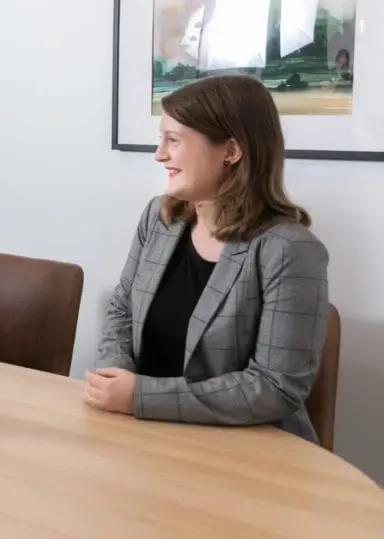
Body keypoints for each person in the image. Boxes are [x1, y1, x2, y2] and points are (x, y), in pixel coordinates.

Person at [88, 74, 329, 443]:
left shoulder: (289, 249)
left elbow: (276, 387)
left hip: (247, 450)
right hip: (142, 433)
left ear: (231, 151)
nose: (159, 154)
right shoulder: (159, 217)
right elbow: (123, 307)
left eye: (174, 140)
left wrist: (140, 397)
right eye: (160, 139)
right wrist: (113, 378)